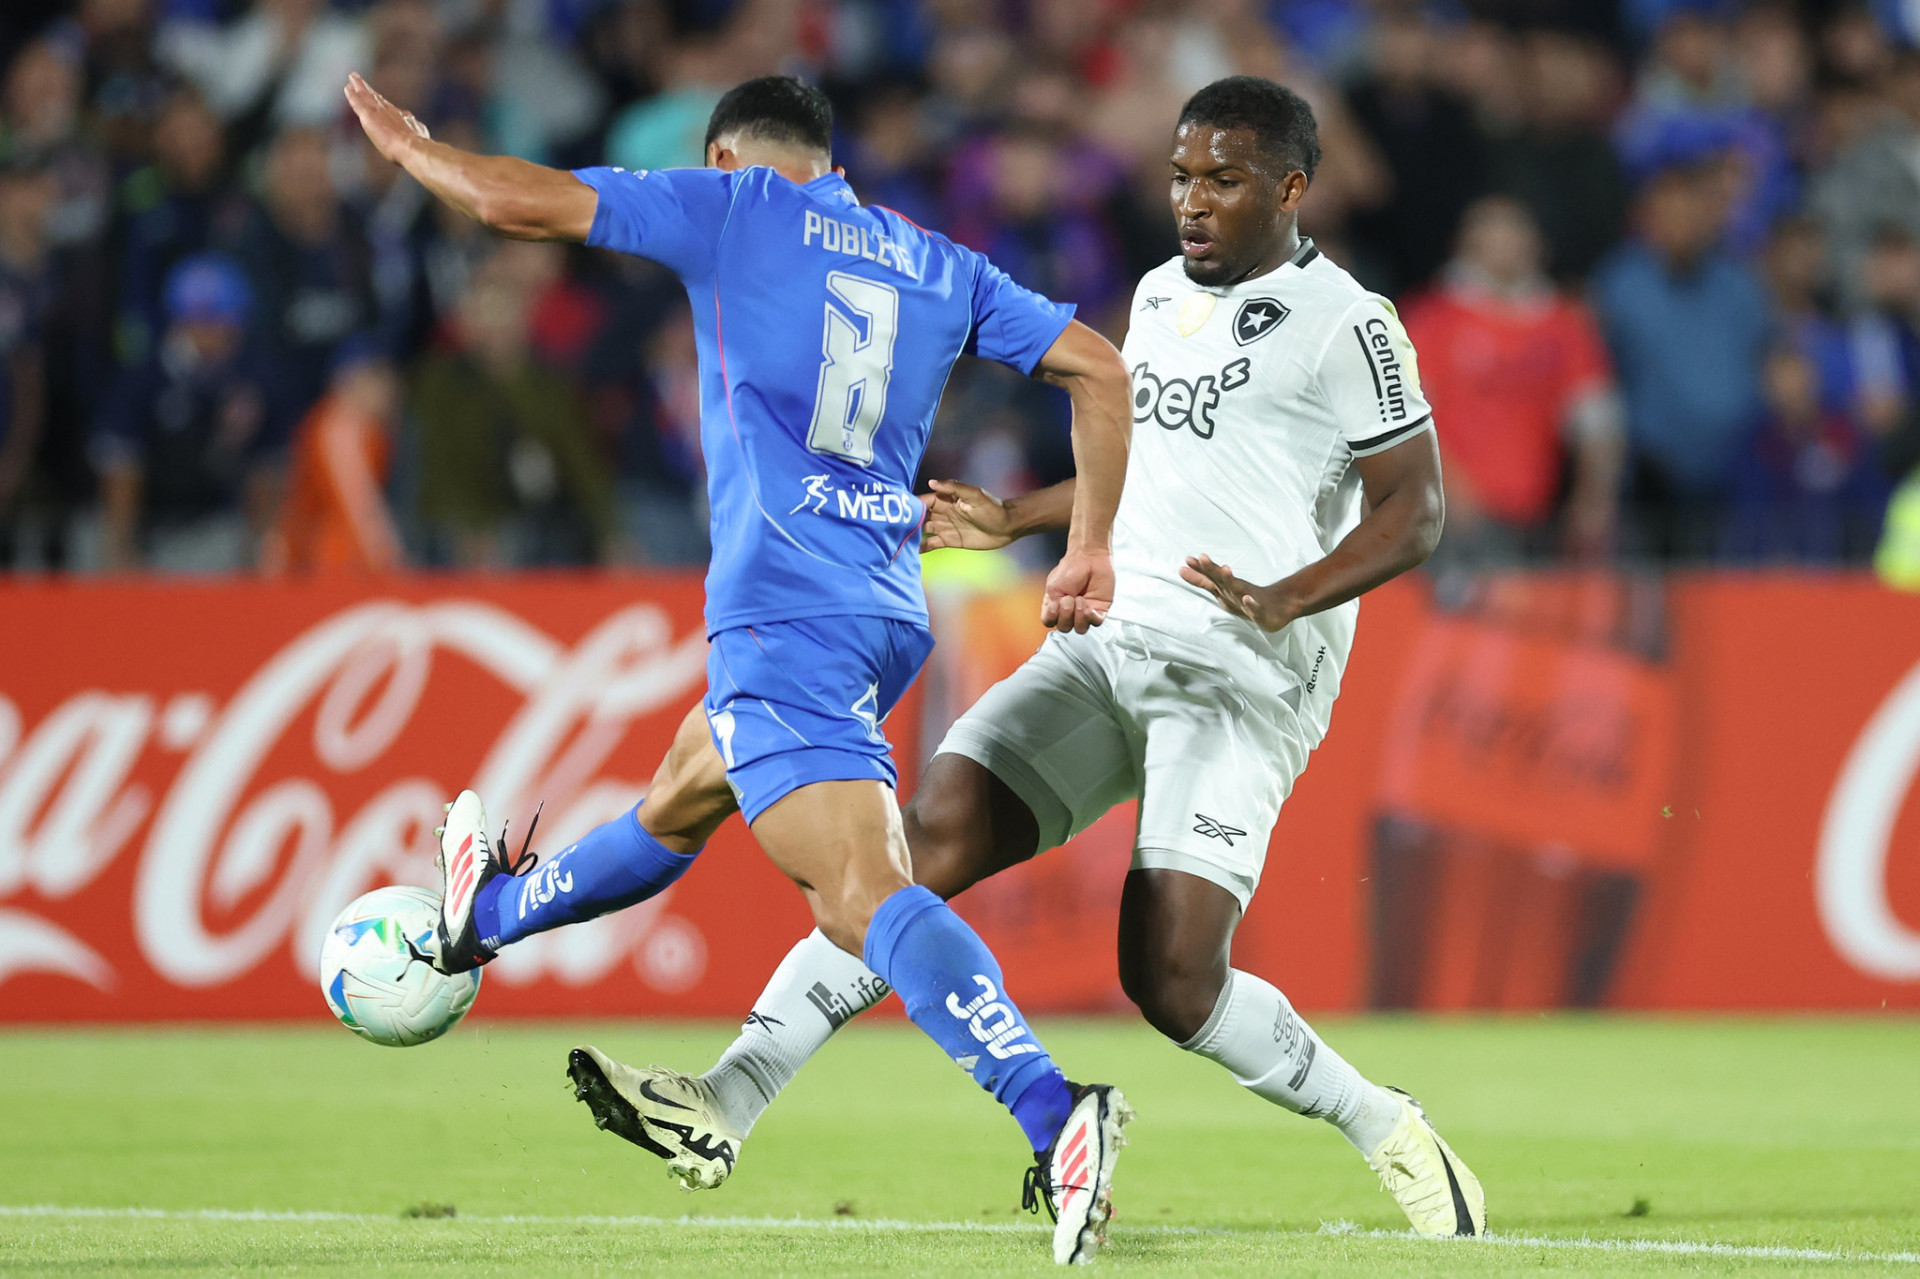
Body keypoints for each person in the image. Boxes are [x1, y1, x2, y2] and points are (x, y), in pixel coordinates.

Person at [466, 76, 1488, 1241]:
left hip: (1244, 673)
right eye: (1180, 176)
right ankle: (729, 1096)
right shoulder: (1156, 298)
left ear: (1291, 189)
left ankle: (1384, 1126)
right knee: (918, 845)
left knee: (1169, 979)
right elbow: (1149, 463)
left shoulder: (1349, 322)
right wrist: (1025, 516)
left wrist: (1282, 597)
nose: (1192, 202)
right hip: (1117, 636)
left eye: (1224, 181)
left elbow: (1416, 512)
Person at [344, 72, 1137, 1264]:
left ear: (726, 158)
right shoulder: (939, 260)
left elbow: (521, 204)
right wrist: (1081, 544)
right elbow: (1102, 372)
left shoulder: (736, 209)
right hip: (880, 608)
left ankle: (1053, 1110)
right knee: (688, 785)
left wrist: (412, 151)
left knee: (863, 897)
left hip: (783, 605)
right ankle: (483, 920)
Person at [1400, 196, 1623, 562]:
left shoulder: (1563, 325)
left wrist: (1592, 498)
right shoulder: (1431, 319)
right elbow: (1408, 416)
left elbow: (1597, 420)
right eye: (1492, 231)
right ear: (1467, 243)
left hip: (1540, 518)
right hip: (1455, 517)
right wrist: (1450, 492)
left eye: (1514, 231)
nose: (1505, 243)